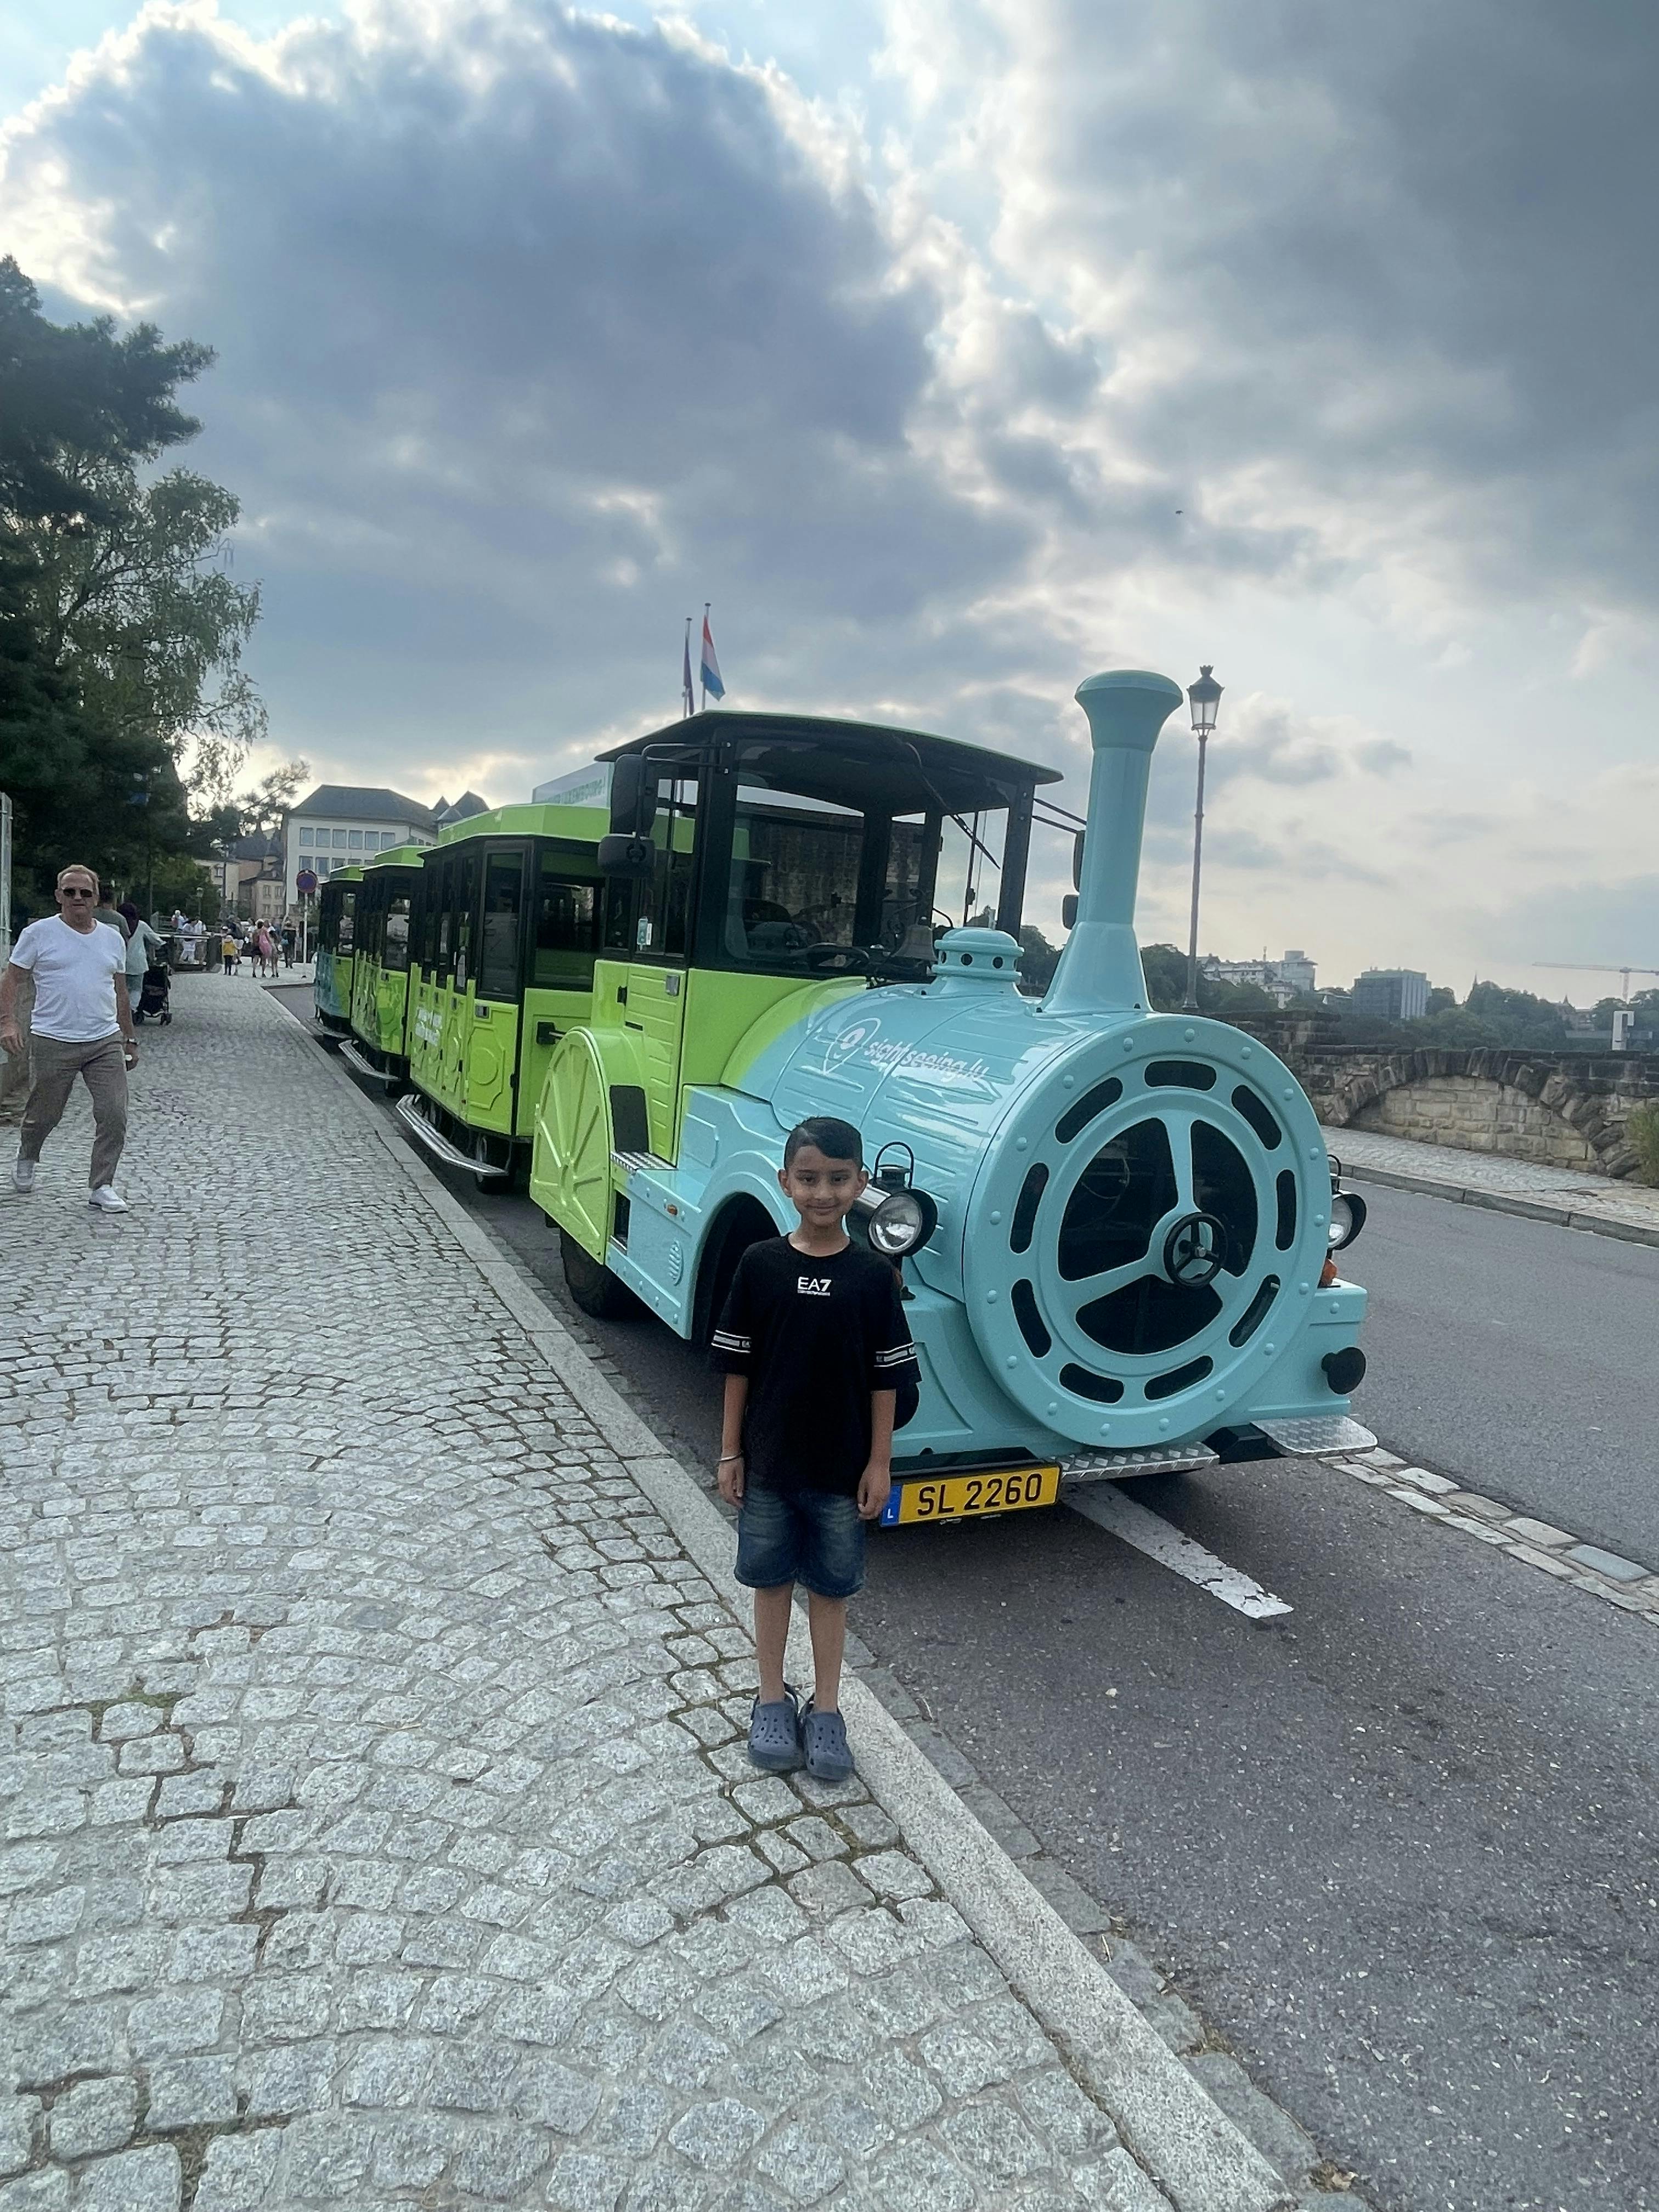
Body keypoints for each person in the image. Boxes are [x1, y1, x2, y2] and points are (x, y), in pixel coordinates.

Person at [712, 1115, 916, 1782]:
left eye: (836, 1179)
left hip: (841, 1471)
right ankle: (771, 1698)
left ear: (861, 1184)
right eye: (808, 1179)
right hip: (770, 1465)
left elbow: (887, 1379)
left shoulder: (873, 1276)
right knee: (770, 1584)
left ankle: (827, 1708)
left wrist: (879, 1463)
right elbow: (738, 1368)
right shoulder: (760, 1265)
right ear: (785, 1182)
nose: (822, 1193)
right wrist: (730, 1452)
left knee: (831, 1590)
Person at [1, 864, 138, 1210]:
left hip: (104, 1039)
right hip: (53, 1038)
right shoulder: (39, 934)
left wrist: (130, 1038)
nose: (78, 898)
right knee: (44, 1114)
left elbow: (120, 991)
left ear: (96, 898)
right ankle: (27, 1155)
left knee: (114, 1114)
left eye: (85, 892)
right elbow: (12, 979)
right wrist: (7, 1023)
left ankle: (102, 1185)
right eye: (70, 892)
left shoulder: (112, 938)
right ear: (58, 896)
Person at [119, 902, 166, 1015]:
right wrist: (163, 945)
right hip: (137, 963)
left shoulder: (117, 925)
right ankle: (131, 1009)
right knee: (136, 989)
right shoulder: (141, 925)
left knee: (120, 989)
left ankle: (120, 1010)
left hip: (120, 963)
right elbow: (155, 940)